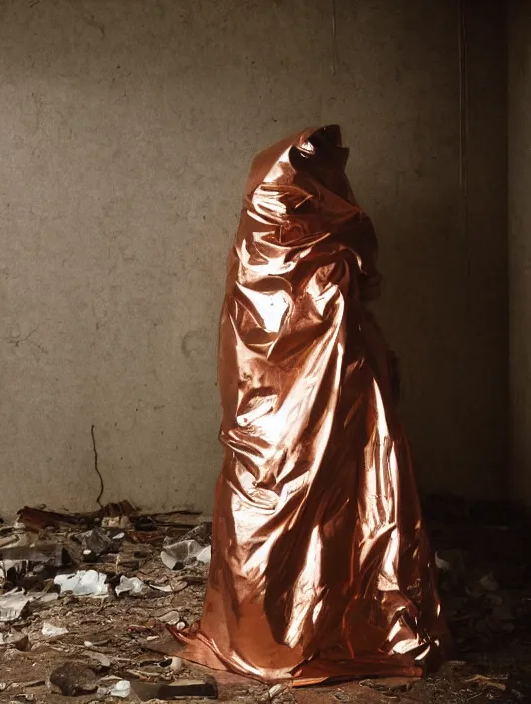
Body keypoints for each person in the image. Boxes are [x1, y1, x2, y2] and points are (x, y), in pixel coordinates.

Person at [171, 125, 449, 685]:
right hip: (302, 396)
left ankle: (289, 621)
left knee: (313, 489)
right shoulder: (312, 241)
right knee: (314, 488)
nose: (338, 186)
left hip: (308, 395)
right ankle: (302, 623)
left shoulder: (278, 241)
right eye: (327, 175)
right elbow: (315, 308)